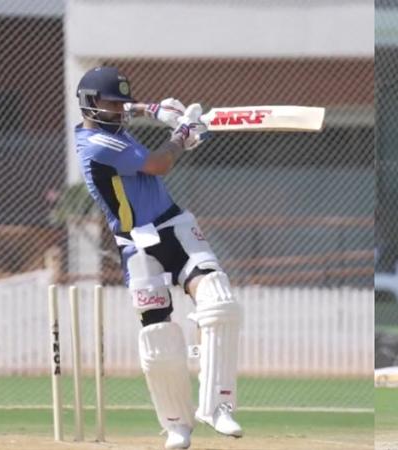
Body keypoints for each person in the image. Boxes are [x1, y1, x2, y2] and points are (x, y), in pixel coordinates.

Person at [74, 66, 241, 449]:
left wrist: (157, 109)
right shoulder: (97, 144)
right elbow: (158, 163)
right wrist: (182, 135)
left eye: (121, 103)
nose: (118, 110)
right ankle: (176, 425)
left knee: (219, 301)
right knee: (158, 334)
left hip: (174, 226)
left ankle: (217, 405)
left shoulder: (111, 124)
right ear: (89, 104)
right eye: (111, 103)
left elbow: (130, 109)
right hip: (136, 244)